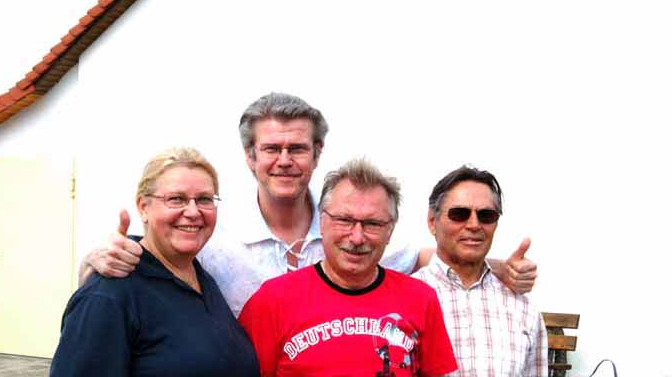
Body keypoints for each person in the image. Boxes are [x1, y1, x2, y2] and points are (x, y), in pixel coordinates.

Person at [79, 93, 538, 317]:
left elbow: (426, 256)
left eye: (297, 148)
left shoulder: (347, 231)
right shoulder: (213, 238)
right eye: (271, 148)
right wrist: (93, 260)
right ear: (250, 156)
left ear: (317, 154)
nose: (284, 160)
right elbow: (153, 257)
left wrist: (497, 267)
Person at [34, 149, 259, 377]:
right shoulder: (112, 293)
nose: (192, 211)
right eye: (176, 199)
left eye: (204, 199)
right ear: (143, 206)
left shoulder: (204, 280)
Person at [238, 158, 458, 377]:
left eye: (372, 223)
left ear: (390, 230)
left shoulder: (421, 300)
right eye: (344, 220)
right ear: (322, 222)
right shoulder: (273, 301)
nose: (357, 237)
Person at [413, 165, 548, 377]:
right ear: (432, 221)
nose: (474, 224)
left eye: (486, 215)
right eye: (459, 214)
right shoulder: (409, 298)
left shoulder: (522, 305)